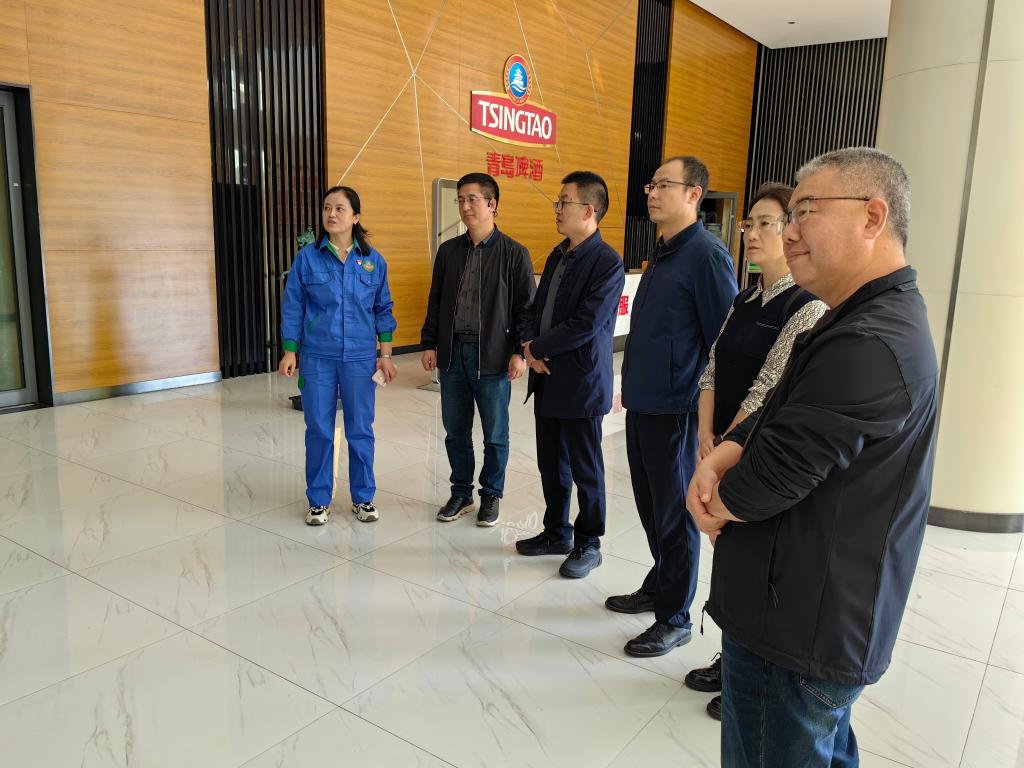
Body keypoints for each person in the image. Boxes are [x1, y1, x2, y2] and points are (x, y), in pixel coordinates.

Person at [687, 147, 938, 768]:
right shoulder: (851, 317)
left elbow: (775, 475)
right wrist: (727, 450)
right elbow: (782, 407)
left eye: (805, 212)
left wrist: (716, 500)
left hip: (799, 626)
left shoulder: (872, 339)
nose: (789, 231)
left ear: (873, 217)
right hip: (797, 605)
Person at [684, 181, 827, 720]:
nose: (752, 233)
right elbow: (714, 367)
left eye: (766, 223)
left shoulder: (806, 306)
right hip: (719, 446)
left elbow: (768, 387)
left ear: (792, 229)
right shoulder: (744, 299)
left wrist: (726, 445)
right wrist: (705, 435)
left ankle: (749, 676)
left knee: (755, 567)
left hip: (757, 453)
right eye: (748, 224)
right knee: (728, 559)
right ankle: (732, 659)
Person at [606, 156, 737, 658]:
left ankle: (675, 616)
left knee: (676, 515)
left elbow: (724, 342)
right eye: (651, 185)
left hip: (678, 410)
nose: (653, 193)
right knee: (650, 507)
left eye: (665, 185)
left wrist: (710, 422)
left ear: (694, 194)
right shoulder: (663, 251)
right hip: (643, 403)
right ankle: (660, 583)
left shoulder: (706, 255)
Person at [514, 171, 625, 578]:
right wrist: (529, 345)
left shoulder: (607, 262)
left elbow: (587, 323)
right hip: (546, 376)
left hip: (581, 383)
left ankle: (589, 542)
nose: (557, 209)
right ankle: (556, 532)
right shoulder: (558, 255)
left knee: (585, 469)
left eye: (564, 202)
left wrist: (537, 348)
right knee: (551, 464)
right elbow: (534, 308)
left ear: (589, 210)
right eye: (557, 202)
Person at [420, 172, 534, 526]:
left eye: (472, 199)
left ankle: (491, 494)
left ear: (492, 204)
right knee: (455, 431)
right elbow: (436, 300)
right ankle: (461, 493)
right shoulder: (448, 251)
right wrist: (430, 342)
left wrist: (519, 352)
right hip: (453, 354)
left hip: (493, 357)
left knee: (495, 435)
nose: (465, 206)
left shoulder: (514, 253)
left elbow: (526, 310)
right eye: (461, 200)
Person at [279, 186, 397, 526]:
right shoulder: (307, 258)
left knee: (360, 428)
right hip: (318, 357)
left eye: (339, 208)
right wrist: (290, 351)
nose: (331, 214)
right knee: (318, 428)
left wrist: (385, 355)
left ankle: (363, 498)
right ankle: (319, 500)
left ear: (355, 217)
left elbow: (383, 309)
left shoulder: (373, 261)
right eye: (327, 208)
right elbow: (293, 305)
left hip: (360, 358)